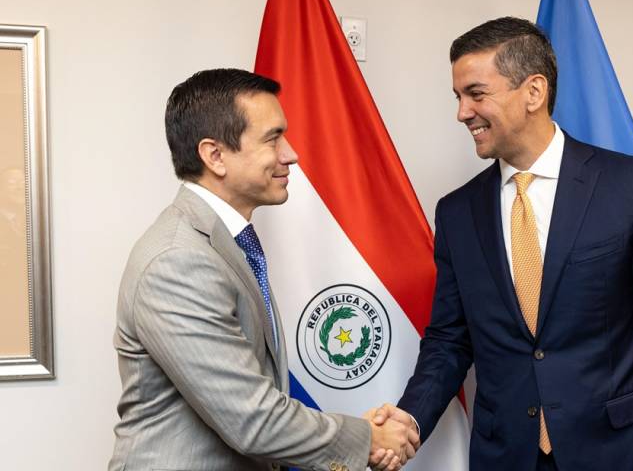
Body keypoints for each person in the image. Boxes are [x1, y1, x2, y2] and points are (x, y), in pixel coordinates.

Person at [373, 17, 633, 470]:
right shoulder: (457, 212)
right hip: (505, 455)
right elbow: (450, 340)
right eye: (458, 97)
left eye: (476, 93)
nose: (462, 112)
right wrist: (409, 419)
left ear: (533, 92)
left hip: (615, 455)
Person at [109, 68, 416, 471]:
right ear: (214, 155)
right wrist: (368, 439)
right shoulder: (178, 260)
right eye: (273, 138)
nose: (291, 153)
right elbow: (251, 419)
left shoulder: (225, 242)